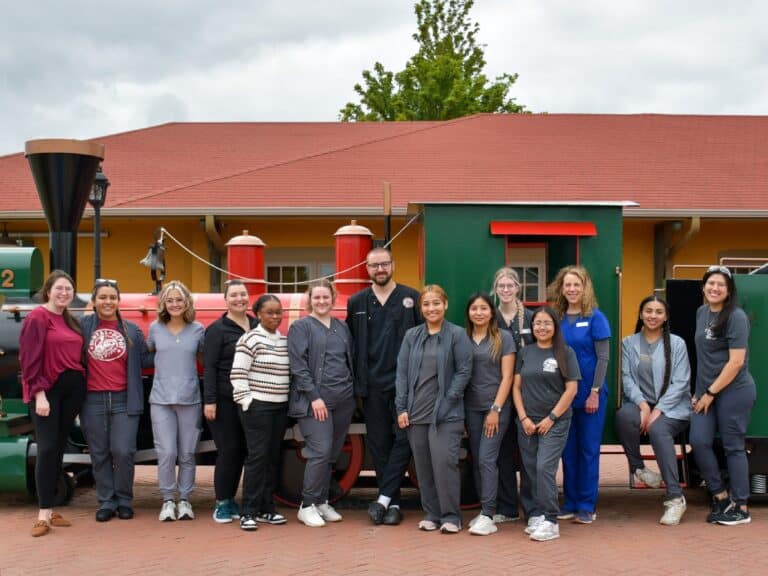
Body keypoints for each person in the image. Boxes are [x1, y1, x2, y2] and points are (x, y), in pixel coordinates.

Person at [346, 247, 422, 526]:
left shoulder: (412, 298)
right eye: (374, 265)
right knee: (379, 445)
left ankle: (384, 498)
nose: (380, 269)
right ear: (367, 269)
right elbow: (350, 344)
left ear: (393, 265)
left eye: (384, 264)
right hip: (372, 386)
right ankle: (392, 504)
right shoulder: (357, 302)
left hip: (405, 386)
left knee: (404, 441)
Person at [395, 285, 473, 534]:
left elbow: (464, 371)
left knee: (444, 464)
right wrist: (401, 407)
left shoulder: (457, 335)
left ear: (445, 305)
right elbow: (402, 374)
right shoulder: (412, 336)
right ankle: (432, 513)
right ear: (421, 308)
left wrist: (449, 399)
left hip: (446, 414)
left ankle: (452, 516)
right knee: (424, 467)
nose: (431, 308)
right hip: (416, 413)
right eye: (427, 304)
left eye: (436, 303)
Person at [19, 270, 86, 537]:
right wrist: (39, 394)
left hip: (73, 390)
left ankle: (51, 510)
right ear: (48, 291)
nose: (63, 293)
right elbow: (29, 359)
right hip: (48, 391)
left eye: (68, 289)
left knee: (58, 448)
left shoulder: (70, 320)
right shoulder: (37, 317)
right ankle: (43, 513)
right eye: (59, 288)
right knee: (47, 449)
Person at [615, 295, 691, 525]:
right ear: (640, 314)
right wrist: (642, 404)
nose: (653, 316)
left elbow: (681, 381)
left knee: (658, 430)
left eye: (659, 312)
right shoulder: (629, 343)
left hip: (673, 406)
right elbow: (626, 378)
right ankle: (639, 470)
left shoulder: (677, 343)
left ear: (665, 317)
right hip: (640, 404)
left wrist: (658, 409)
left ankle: (675, 498)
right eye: (648, 311)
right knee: (623, 416)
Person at [80, 278, 152, 522]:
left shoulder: (131, 329)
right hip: (92, 400)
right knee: (99, 453)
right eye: (102, 297)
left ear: (118, 301)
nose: (107, 301)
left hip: (124, 399)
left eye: (112, 297)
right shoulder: (82, 326)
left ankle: (124, 500)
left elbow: (146, 360)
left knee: (123, 452)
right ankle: (106, 502)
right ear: (94, 301)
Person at [690, 265, 756, 525]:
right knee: (699, 440)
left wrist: (709, 393)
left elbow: (736, 362)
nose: (714, 288)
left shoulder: (736, 317)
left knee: (733, 447)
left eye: (720, 285)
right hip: (706, 393)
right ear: (704, 287)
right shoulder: (701, 312)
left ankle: (741, 506)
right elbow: (704, 358)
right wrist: (699, 393)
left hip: (735, 391)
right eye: (710, 283)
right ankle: (720, 495)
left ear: (729, 291)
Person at [288, 279, 355, 527]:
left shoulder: (341, 327)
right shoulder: (301, 327)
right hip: (315, 402)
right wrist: (314, 397)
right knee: (320, 451)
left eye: (325, 297)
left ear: (333, 299)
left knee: (332, 454)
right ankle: (306, 506)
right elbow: (299, 366)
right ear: (309, 300)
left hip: (343, 400)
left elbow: (348, 360)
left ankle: (322, 500)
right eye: (316, 297)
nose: (321, 301)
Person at [548, 265, 610, 524]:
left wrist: (594, 391)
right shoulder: (557, 317)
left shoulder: (596, 317)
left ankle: (587, 504)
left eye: (577, 285)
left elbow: (603, 358)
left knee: (588, 450)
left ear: (585, 288)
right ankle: (571, 501)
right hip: (564, 395)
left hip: (589, 395)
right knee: (567, 450)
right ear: (561, 289)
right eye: (568, 285)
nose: (572, 289)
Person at [513, 307, 580, 541]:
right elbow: (516, 387)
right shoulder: (526, 352)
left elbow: (572, 389)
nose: (541, 327)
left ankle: (551, 520)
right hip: (528, 423)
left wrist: (551, 418)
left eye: (547, 323)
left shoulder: (565, 352)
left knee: (544, 468)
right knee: (530, 471)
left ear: (555, 326)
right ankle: (539, 514)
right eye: (537, 323)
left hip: (555, 421)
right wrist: (523, 418)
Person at [231, 294, 291, 530]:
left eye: (278, 312)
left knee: (272, 458)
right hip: (258, 407)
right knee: (257, 458)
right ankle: (248, 511)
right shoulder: (250, 339)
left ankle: (267, 509)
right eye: (270, 312)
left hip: (279, 406)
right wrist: (247, 401)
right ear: (258, 314)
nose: (275, 316)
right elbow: (237, 374)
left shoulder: (283, 341)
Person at [147, 280, 205, 522]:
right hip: (161, 399)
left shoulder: (198, 330)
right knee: (167, 452)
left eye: (178, 300)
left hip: (190, 398)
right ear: (163, 303)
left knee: (188, 453)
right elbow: (149, 353)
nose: (174, 304)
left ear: (186, 302)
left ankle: (185, 500)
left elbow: (205, 360)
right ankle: (168, 499)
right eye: (169, 300)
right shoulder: (155, 329)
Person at [203, 279, 257, 524]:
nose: (239, 299)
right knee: (229, 450)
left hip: (253, 399)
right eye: (234, 295)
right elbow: (210, 367)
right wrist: (210, 401)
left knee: (248, 450)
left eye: (243, 294)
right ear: (225, 300)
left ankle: (240, 500)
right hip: (225, 400)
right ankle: (223, 502)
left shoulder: (257, 325)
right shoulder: (216, 330)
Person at [464, 292, 516, 536]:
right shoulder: (463, 338)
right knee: (477, 459)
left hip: (496, 408)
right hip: (471, 409)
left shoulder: (503, 338)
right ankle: (485, 510)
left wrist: (495, 409)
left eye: (483, 308)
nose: (479, 313)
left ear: (491, 312)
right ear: (469, 313)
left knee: (487, 458)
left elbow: (507, 377)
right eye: (474, 309)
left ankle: (488, 514)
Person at [492, 267, 534, 523]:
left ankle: (532, 508)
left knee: (529, 453)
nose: (506, 290)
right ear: (496, 289)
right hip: (499, 392)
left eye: (510, 286)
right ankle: (507, 507)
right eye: (501, 286)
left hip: (528, 394)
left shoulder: (530, 318)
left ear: (518, 288)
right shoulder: (490, 319)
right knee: (503, 453)